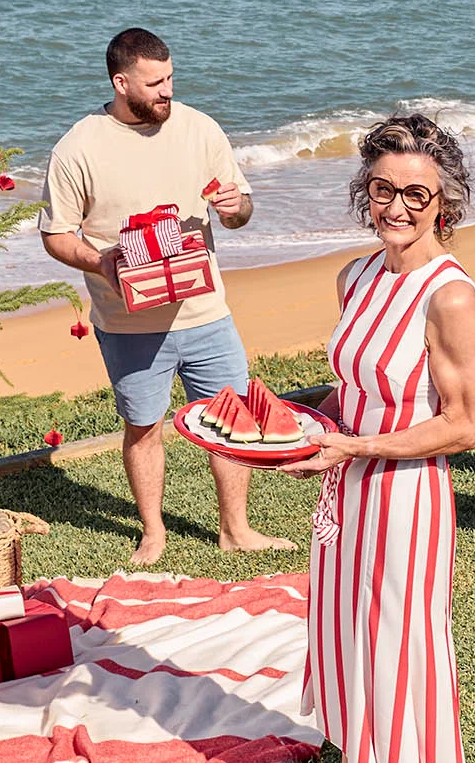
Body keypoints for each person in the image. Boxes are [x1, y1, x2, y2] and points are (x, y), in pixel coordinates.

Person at [277, 115, 475, 763]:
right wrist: (298, 427)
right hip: (346, 489)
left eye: (416, 195)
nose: (396, 208)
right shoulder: (356, 276)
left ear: (445, 203)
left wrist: (356, 446)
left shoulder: (451, 295)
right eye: (382, 190)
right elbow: (351, 389)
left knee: (408, 639)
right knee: (342, 628)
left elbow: (462, 426)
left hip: (407, 495)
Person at [39, 27, 292, 564]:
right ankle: (153, 532)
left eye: (171, 78)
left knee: (232, 421)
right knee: (143, 427)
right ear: (121, 81)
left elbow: (241, 208)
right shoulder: (78, 147)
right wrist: (99, 261)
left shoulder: (199, 129)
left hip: (207, 313)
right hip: (128, 320)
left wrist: (234, 208)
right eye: (155, 83)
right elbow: (56, 234)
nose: (167, 91)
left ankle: (236, 529)